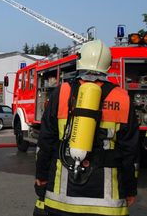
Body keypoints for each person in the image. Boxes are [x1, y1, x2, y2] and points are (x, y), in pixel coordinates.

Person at [34, 40, 139, 216]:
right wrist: (130, 189)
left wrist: (41, 176)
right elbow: (131, 153)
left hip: (61, 203)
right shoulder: (123, 98)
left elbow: (45, 142)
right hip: (108, 206)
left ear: (79, 61)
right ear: (107, 65)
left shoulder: (62, 92)